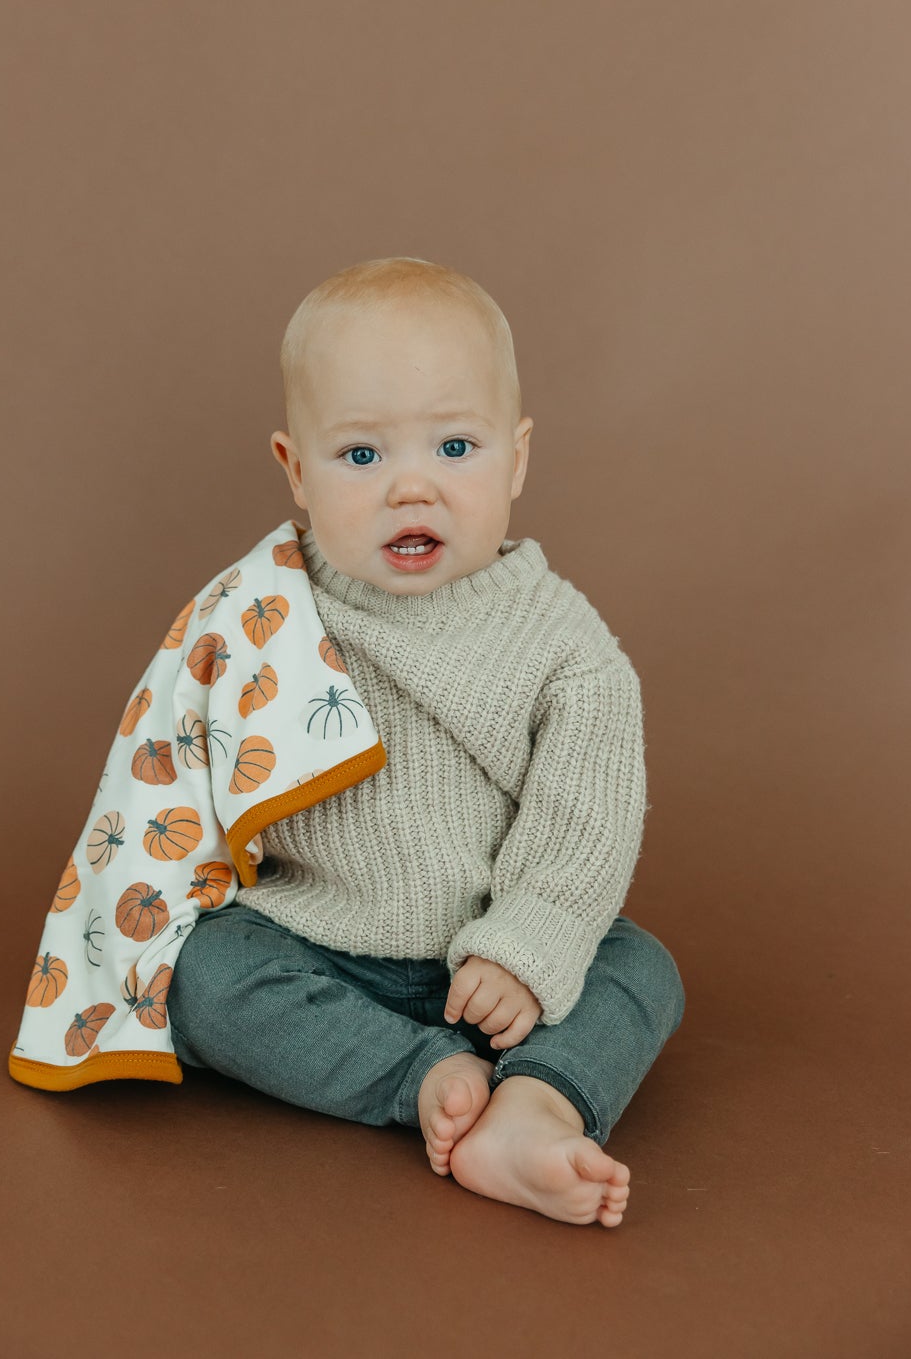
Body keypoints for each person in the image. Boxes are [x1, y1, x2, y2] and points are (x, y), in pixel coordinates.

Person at [165, 255, 684, 1226]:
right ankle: (425, 1075)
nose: (412, 487)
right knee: (200, 973)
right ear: (295, 468)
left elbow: (586, 823)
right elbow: (177, 770)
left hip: (497, 956)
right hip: (319, 945)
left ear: (516, 458)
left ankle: (536, 1103)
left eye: (454, 446)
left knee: (639, 966)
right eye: (361, 455)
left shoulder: (564, 644)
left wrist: (524, 950)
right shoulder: (265, 609)